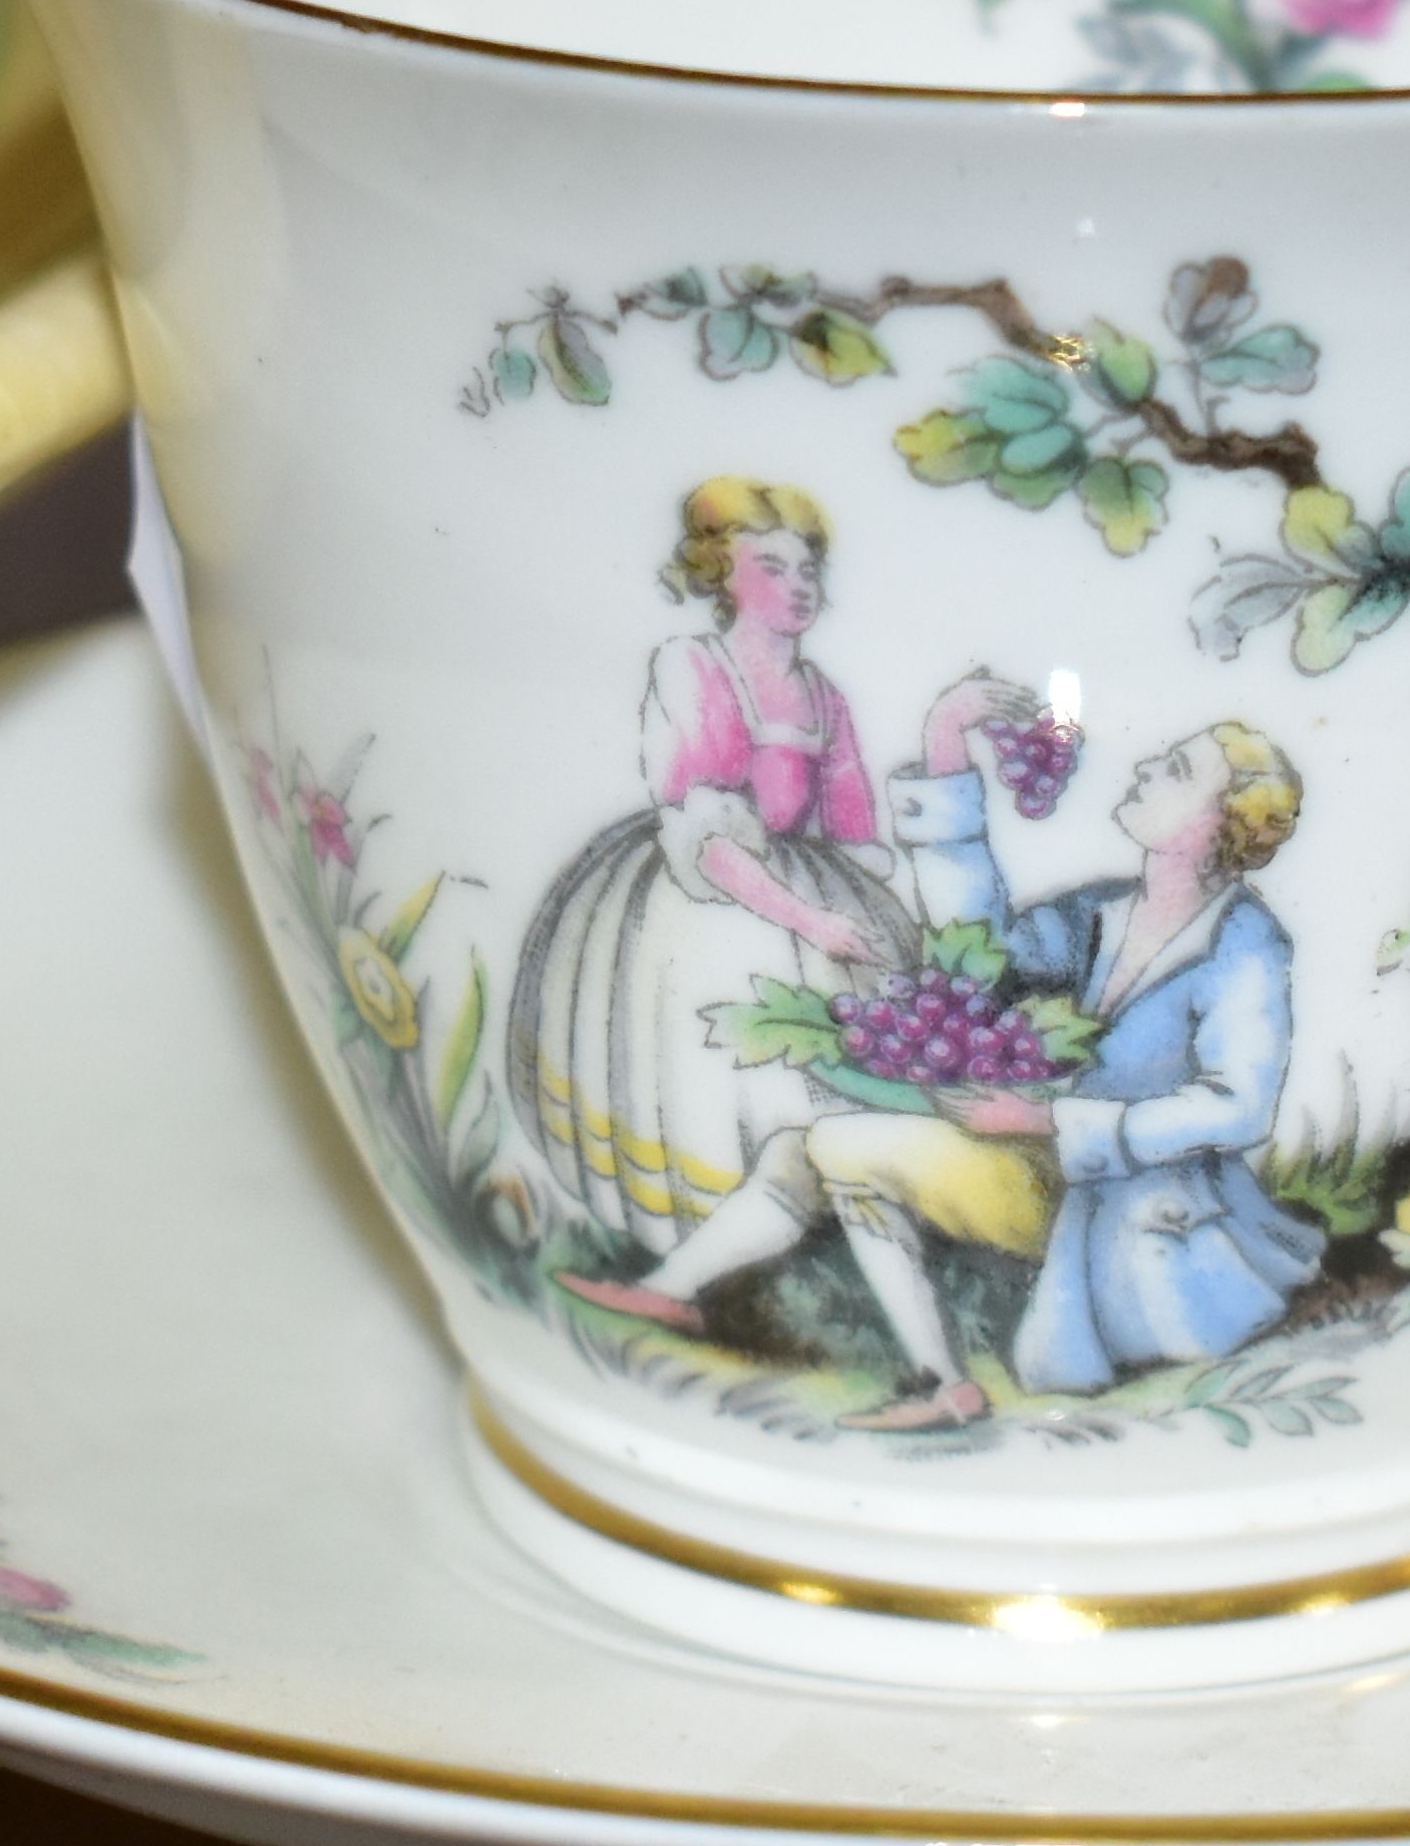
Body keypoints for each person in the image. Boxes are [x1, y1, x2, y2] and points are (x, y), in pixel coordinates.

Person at [569, 683, 1323, 1430]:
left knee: (840, 1148)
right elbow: (981, 952)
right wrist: (945, 746)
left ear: (1220, 824)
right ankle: (678, 1293)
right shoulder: (1102, 912)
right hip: (1048, 1162)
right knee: (797, 1153)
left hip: (1127, 1199)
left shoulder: (1243, 948)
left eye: (1179, 772)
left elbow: (1238, 1105)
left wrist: (1050, 1116)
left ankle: (944, 1380)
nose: (1149, 768)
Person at [509, 481, 914, 1251]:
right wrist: (810, 920)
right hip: (708, 887)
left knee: (834, 1050)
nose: (798, 588)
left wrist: (846, 905)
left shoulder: (824, 695)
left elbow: (850, 814)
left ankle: (827, 1217)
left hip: (805, 881)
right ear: (719, 574)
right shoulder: (694, 669)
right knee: (709, 1051)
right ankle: (708, 1229)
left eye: (807, 571)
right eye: (772, 566)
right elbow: (708, 834)